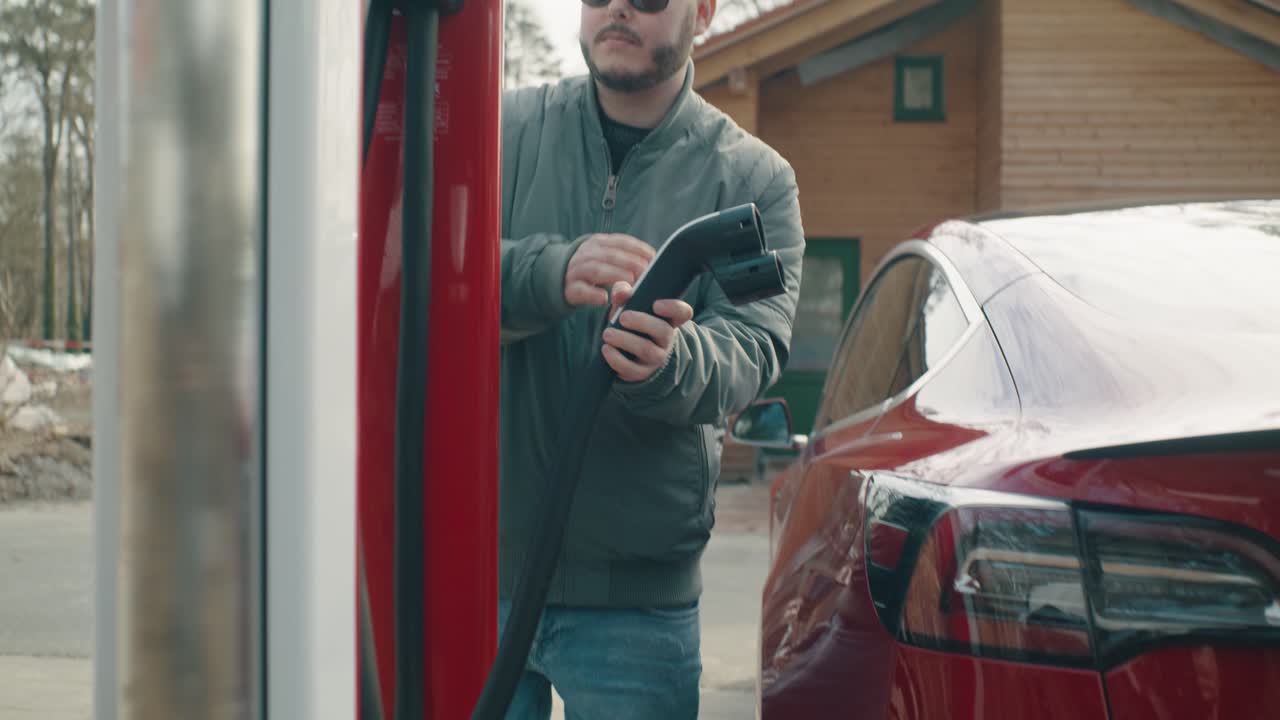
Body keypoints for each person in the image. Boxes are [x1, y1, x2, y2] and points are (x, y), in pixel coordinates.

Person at [497, 0, 805, 715]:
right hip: (481, 580)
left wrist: (671, 360)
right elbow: (420, 272)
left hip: (637, 607)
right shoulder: (502, 133)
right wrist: (549, 273)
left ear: (703, 10)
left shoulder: (755, 181)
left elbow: (754, 344)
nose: (618, 10)